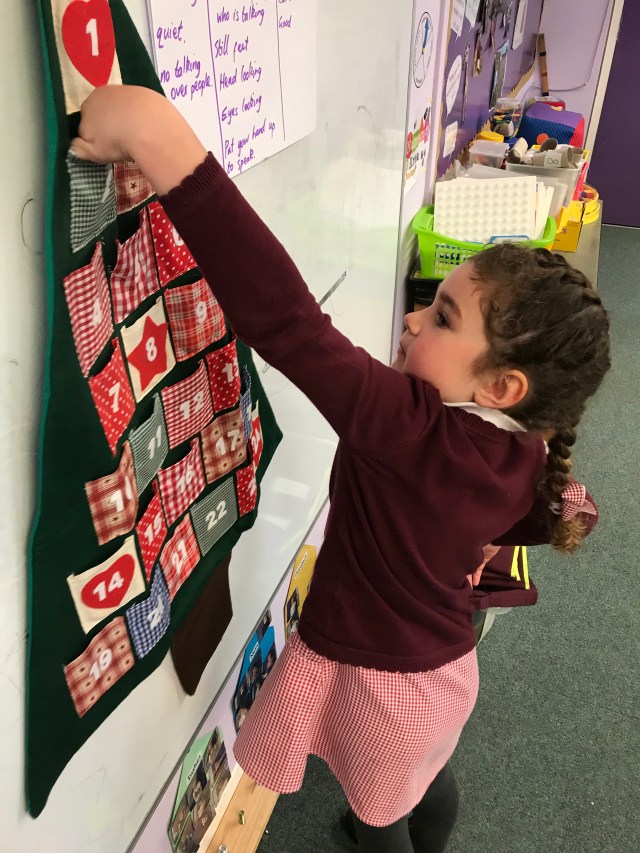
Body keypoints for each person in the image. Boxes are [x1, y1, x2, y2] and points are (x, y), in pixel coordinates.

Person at [72, 86, 610, 853]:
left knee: (379, 816)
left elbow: (288, 323)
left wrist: (162, 141)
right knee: (426, 782)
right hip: (446, 674)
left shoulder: (410, 428)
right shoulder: (526, 446)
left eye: (442, 316)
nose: (413, 318)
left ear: (501, 386)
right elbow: (558, 510)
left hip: (380, 683)